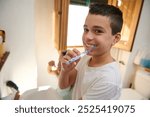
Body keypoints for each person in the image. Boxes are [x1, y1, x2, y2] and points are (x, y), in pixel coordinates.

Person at [58, 3, 123, 100]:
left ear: (115, 38)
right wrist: (65, 71)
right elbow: (64, 85)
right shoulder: (87, 57)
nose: (87, 37)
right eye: (86, 29)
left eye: (98, 31)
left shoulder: (108, 80)